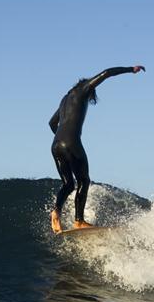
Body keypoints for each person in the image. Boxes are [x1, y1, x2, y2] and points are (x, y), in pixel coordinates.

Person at [49, 65, 145, 233]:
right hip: (71, 142)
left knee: (68, 183)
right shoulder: (83, 89)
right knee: (84, 181)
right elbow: (106, 73)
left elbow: (51, 123)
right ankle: (79, 221)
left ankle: (56, 211)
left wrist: (61, 137)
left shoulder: (64, 100)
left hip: (56, 145)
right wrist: (131, 69)